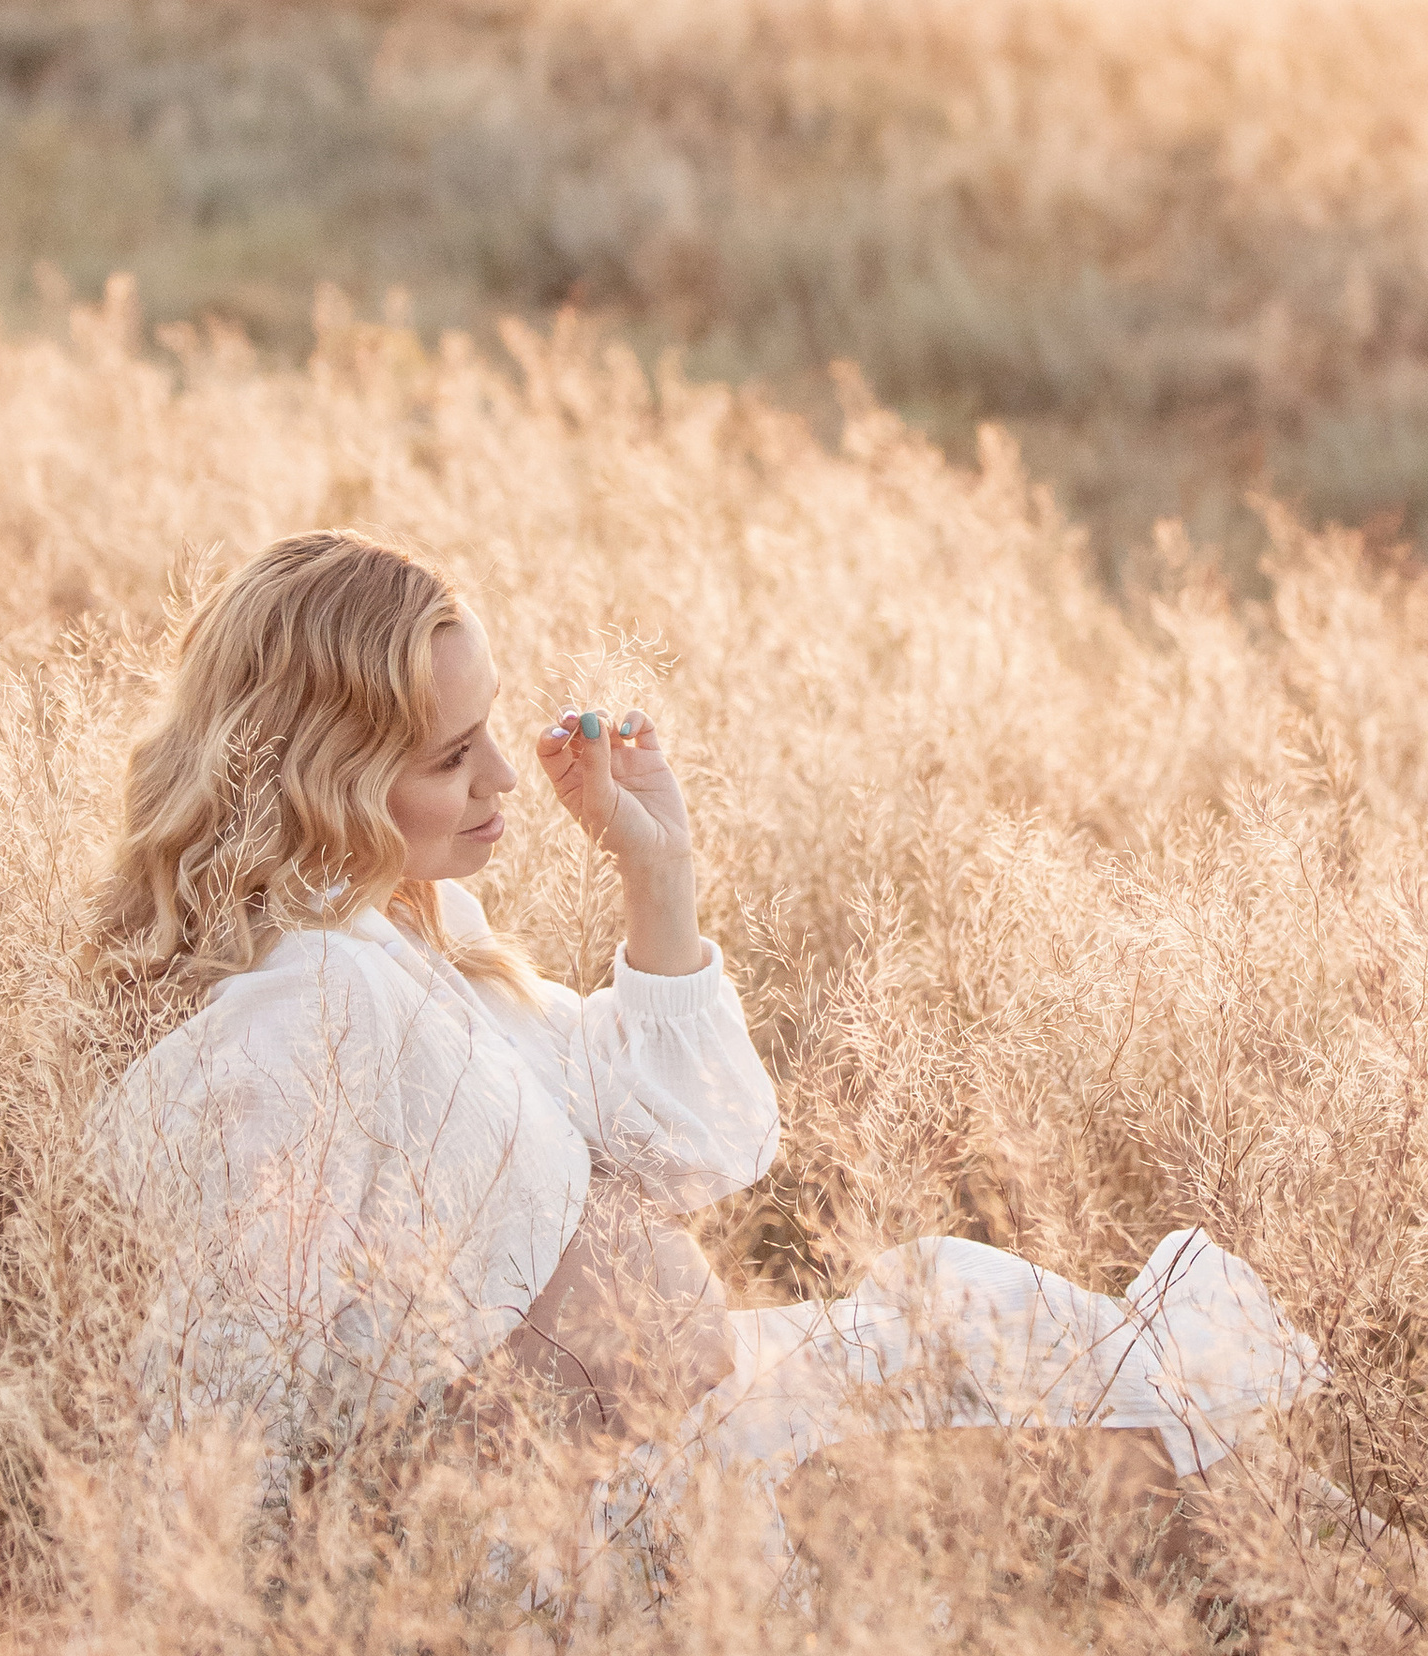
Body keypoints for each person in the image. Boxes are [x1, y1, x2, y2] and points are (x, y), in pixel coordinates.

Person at [87, 529, 1326, 1609]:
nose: (505, 778)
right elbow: (221, 1411)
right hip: (592, 1539)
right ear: (325, 772)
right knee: (1162, 1462)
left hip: (703, 1430)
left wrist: (657, 872)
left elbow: (699, 1145)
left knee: (1007, 1339)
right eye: (451, 753)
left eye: (490, 733)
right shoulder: (288, 1018)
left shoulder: (410, 934)